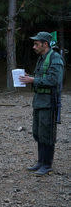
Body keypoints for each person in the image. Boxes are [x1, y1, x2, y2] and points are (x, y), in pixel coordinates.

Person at [20, 31, 64, 176]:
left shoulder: (55, 58)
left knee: (47, 133)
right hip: (39, 101)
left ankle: (47, 164)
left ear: (45, 44)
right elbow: (41, 77)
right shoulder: (42, 58)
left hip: (49, 102)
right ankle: (40, 161)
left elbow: (53, 80)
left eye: (36, 44)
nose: (34, 46)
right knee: (38, 132)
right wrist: (30, 78)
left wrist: (33, 80)